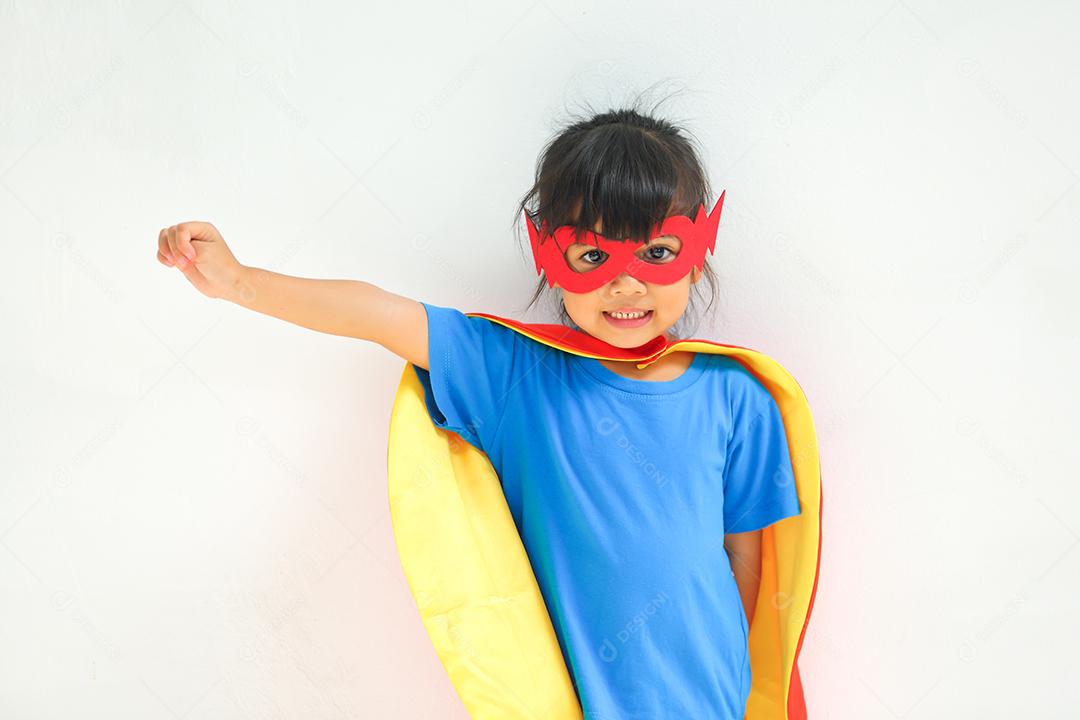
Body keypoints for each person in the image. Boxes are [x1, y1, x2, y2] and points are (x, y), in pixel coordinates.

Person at [156, 101, 812, 719]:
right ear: (548, 259)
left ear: (698, 258)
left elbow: (746, 564)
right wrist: (239, 281)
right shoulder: (510, 373)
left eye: (658, 252)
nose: (625, 283)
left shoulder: (737, 394)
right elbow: (381, 315)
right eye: (592, 256)